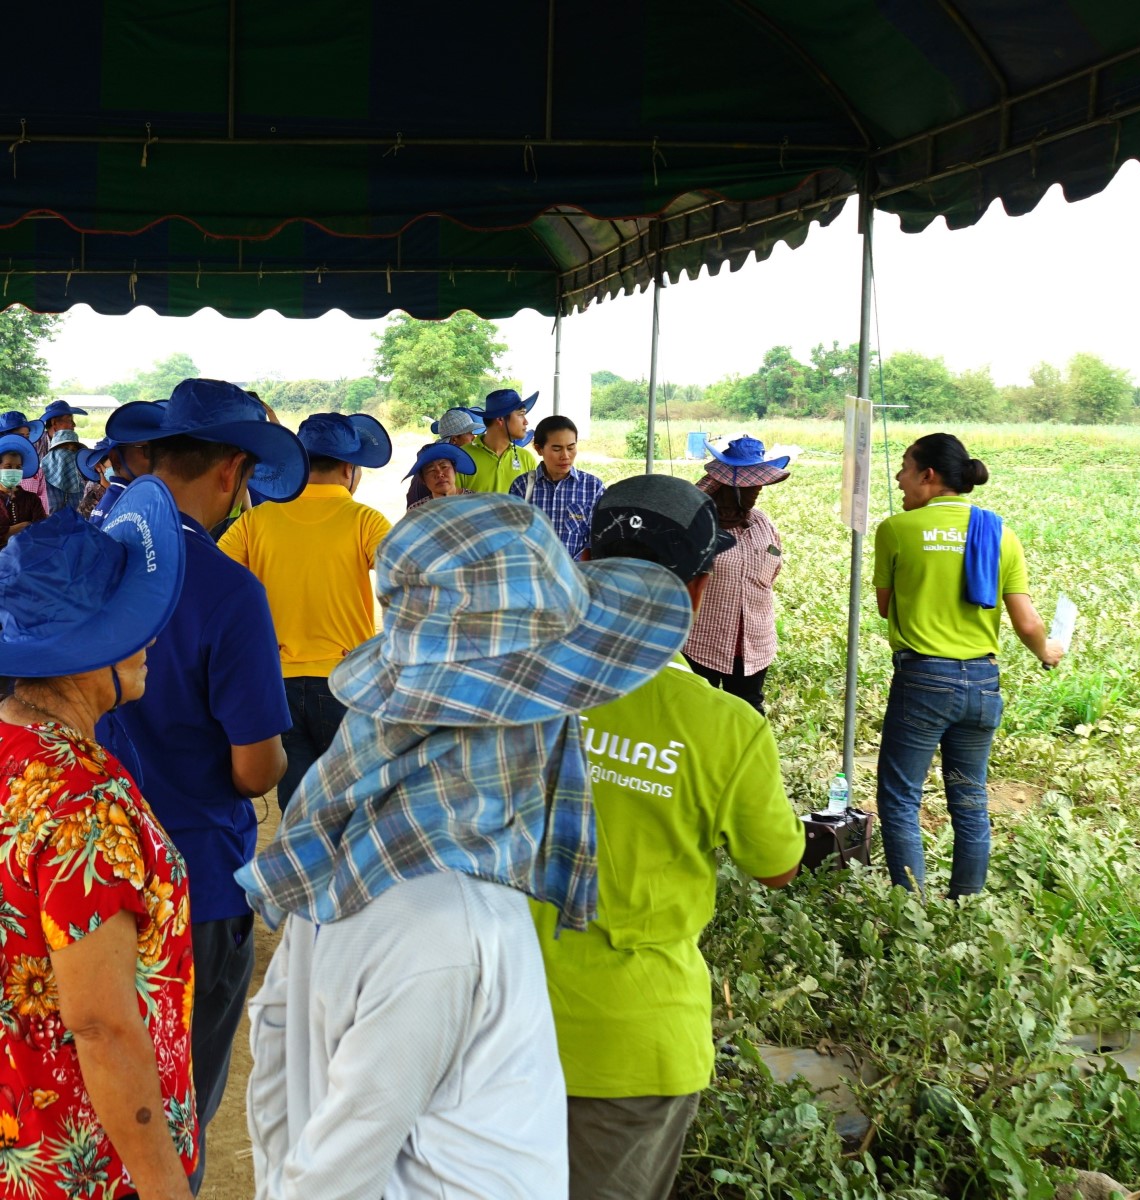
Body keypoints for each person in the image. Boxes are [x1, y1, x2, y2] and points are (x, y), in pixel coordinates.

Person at [239, 495, 694, 1200]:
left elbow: (272, 1049)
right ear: (515, 726)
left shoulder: (345, 860)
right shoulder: (448, 924)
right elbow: (334, 1172)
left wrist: (271, 1176)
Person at [533, 475, 805, 1200]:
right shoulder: (725, 729)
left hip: (498, 1023)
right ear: (698, 588)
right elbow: (775, 866)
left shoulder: (515, 687)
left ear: (584, 566)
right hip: (635, 1044)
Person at [102, 378, 309, 1191]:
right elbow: (254, 768)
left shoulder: (90, 555)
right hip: (196, 882)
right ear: (231, 471)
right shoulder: (226, 590)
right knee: (177, 1101)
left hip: (81, 873)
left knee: (89, 1084)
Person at [0, 477, 195, 1200]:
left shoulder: (13, 744)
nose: (150, 637)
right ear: (88, 647)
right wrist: (164, 1186)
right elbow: (104, 1025)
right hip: (82, 1160)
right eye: (132, 622)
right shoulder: (84, 795)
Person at [872, 432, 1063, 899]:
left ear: (928, 475)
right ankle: (967, 900)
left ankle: (912, 905)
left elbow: (883, 605)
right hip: (982, 682)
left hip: (922, 681)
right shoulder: (1000, 533)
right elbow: (1027, 621)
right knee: (971, 797)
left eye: (904, 467)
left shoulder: (896, 530)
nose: (899, 479)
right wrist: (1048, 652)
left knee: (900, 798)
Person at [219, 413, 393, 810]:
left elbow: (214, 581)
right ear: (350, 470)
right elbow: (416, 581)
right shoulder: (365, 520)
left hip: (274, 679)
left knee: (297, 805)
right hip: (345, 679)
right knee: (351, 802)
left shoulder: (257, 520)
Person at [683, 436, 791, 715]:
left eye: (758, 485)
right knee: (696, 712)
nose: (757, 491)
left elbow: (772, 571)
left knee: (748, 713)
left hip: (754, 643)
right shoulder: (699, 524)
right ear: (729, 487)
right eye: (750, 485)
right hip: (702, 640)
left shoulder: (761, 523)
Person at [509, 415, 605, 559]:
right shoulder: (522, 486)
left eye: (571, 447)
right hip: (533, 576)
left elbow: (599, 539)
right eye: (556, 449)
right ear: (539, 449)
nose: (565, 456)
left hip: (576, 576)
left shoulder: (593, 487)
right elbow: (512, 536)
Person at [404, 405, 484, 508]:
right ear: (454, 439)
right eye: (469, 433)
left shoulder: (474, 498)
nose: (473, 437)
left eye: (444, 467)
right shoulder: (420, 505)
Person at [463, 388, 539, 494]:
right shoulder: (462, 457)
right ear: (500, 419)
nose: (526, 422)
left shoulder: (527, 459)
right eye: (521, 414)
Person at [1, 433, 48, 548]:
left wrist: (7, 532)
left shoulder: (32, 499)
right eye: (8, 467)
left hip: (25, 559)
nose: (14, 471)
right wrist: (20, 527)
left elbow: (41, 530)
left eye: (18, 467)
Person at [403, 440, 477, 509]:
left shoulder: (477, 501)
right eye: (431, 470)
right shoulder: (417, 511)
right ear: (423, 480)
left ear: (454, 470)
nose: (439, 474)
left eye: (444, 466)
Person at [40, 428, 87, 514]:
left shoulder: (78, 483)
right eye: (65, 448)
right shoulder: (40, 480)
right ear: (53, 453)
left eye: (73, 450)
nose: (68, 454)